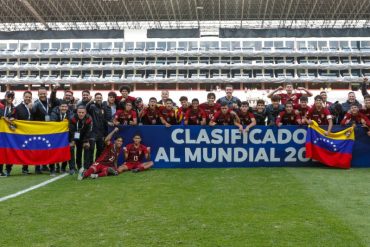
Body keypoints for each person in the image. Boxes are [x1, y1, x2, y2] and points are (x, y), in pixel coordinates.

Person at [86, 93, 111, 164]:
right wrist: (90, 101)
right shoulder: (92, 106)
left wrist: (107, 123)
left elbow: (104, 119)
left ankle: (97, 163)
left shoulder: (103, 108)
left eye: (100, 97)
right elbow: (86, 109)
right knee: (91, 149)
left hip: (101, 132)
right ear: (95, 98)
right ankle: (89, 164)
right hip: (93, 132)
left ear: (102, 98)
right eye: (97, 97)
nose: (99, 99)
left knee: (100, 149)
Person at [50, 101, 73, 175]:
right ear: (59, 107)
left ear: (67, 107)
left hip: (66, 136)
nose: (64, 108)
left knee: (66, 151)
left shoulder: (70, 114)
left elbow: (72, 125)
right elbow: (53, 124)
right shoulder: (54, 113)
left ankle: (63, 168)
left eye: (65, 107)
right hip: (55, 136)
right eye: (62, 106)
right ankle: (52, 169)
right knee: (53, 152)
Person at [14, 91, 33, 174]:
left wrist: (32, 109)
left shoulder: (33, 107)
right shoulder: (18, 108)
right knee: (15, 150)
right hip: (20, 133)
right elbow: (15, 120)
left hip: (30, 133)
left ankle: (25, 169)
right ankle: (8, 169)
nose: (28, 98)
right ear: (23, 97)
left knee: (27, 151)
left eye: (29, 97)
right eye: (26, 97)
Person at [69, 105, 93, 170]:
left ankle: (86, 167)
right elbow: (72, 131)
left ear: (85, 112)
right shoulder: (72, 118)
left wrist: (86, 141)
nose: (81, 114)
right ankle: (73, 167)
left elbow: (89, 131)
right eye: (79, 112)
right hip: (75, 136)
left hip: (85, 136)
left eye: (82, 112)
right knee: (72, 148)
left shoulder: (89, 119)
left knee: (87, 147)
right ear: (77, 112)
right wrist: (73, 141)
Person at [0, 91, 16, 177]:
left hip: (9, 133)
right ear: (5, 96)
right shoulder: (0, 105)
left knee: (10, 151)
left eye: (11, 97)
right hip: (1, 132)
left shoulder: (14, 108)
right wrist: (4, 118)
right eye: (8, 97)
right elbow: (2, 116)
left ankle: (8, 169)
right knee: (1, 151)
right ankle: (0, 170)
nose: (10, 99)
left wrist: (13, 119)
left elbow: (15, 118)